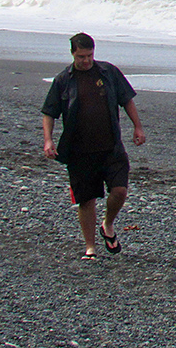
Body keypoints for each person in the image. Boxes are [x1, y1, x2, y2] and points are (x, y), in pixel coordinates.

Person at [41, 32, 146, 259]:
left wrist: (137, 126)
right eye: (81, 56)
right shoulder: (63, 80)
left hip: (111, 147)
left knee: (119, 191)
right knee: (86, 199)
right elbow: (49, 112)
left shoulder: (108, 72)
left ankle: (107, 224)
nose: (86, 60)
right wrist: (48, 139)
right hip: (79, 151)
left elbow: (126, 99)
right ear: (72, 54)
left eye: (89, 55)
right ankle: (90, 247)